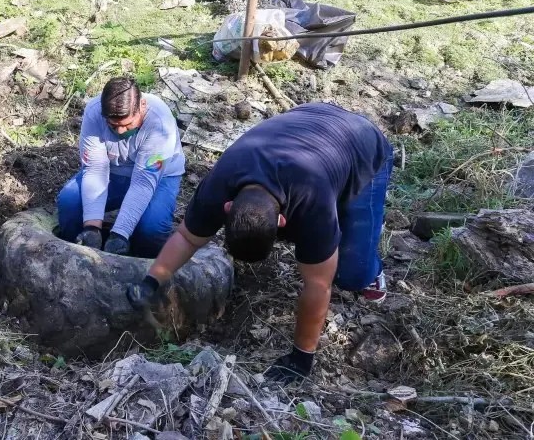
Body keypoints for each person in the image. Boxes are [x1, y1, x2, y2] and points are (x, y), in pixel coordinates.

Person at [126, 102, 393, 383]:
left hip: (363, 143)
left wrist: (301, 358)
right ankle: (335, 224)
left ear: (281, 222)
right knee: (326, 244)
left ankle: (373, 270)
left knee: (352, 274)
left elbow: (318, 284)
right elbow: (187, 237)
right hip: (307, 122)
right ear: (226, 207)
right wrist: (151, 283)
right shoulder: (220, 182)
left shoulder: (314, 203)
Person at [56, 77, 185, 258]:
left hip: (158, 178)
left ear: (142, 106)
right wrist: (92, 228)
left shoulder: (160, 123)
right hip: (113, 172)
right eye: (113, 126)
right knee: (70, 202)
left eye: (127, 125)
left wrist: (120, 234)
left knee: (151, 228)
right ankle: (69, 257)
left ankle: (143, 267)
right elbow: (95, 169)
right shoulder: (94, 113)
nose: (120, 132)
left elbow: (143, 182)